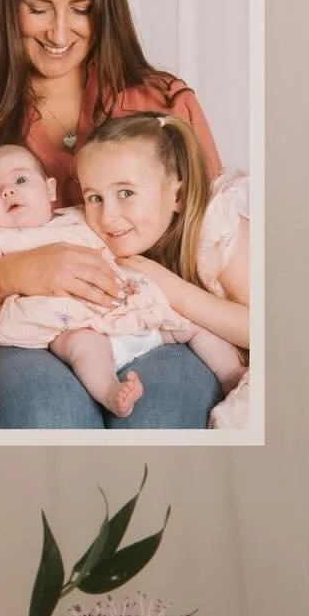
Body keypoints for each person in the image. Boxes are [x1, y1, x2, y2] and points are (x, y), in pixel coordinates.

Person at [0, 0, 226, 429]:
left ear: (104, 7)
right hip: (19, 339)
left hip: (151, 326)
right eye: (37, 7)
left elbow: (220, 249)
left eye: (81, 8)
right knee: (50, 411)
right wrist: (17, 271)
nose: (59, 33)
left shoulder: (165, 107)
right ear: (7, 6)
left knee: (158, 414)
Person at [0, 143, 235, 419]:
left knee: (191, 325)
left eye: (20, 180)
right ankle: (109, 390)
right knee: (83, 347)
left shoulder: (80, 217)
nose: (8, 192)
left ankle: (232, 376)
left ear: (49, 189)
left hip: (127, 310)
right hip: (74, 324)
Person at [77, 112, 250, 427]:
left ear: (178, 196)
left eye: (126, 193)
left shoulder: (218, 229)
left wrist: (172, 289)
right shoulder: (104, 240)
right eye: (94, 197)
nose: (107, 215)